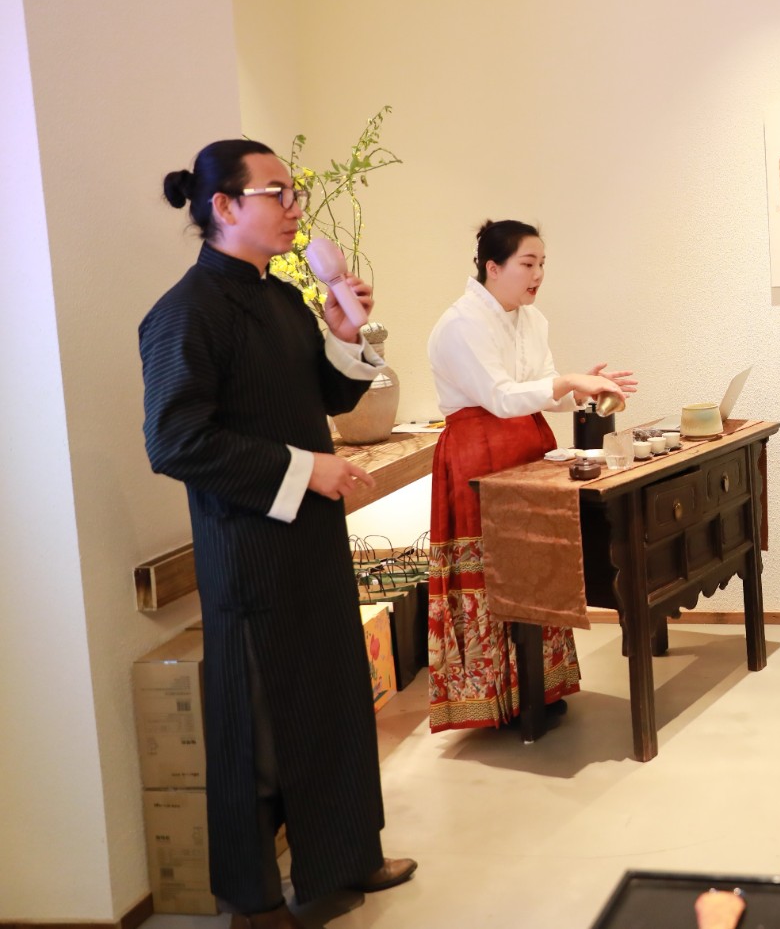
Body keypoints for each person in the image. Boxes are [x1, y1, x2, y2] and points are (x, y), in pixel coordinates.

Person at [140, 140, 414, 929]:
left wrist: (349, 331)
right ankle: (252, 901)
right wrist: (307, 469)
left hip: (309, 540)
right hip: (249, 554)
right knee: (259, 731)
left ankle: (346, 858)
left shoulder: (284, 298)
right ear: (224, 206)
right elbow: (175, 442)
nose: (296, 207)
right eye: (278, 193)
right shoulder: (184, 313)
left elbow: (328, 394)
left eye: (295, 194)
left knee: (334, 701)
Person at [426, 219, 634, 731]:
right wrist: (566, 382)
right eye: (528, 263)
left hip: (527, 445)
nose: (538, 274)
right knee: (493, 569)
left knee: (537, 563)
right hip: (478, 453)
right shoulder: (460, 324)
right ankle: (492, 699)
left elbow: (542, 389)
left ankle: (541, 688)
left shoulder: (531, 318)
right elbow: (499, 397)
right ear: (492, 268)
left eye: (542, 264)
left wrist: (583, 389)